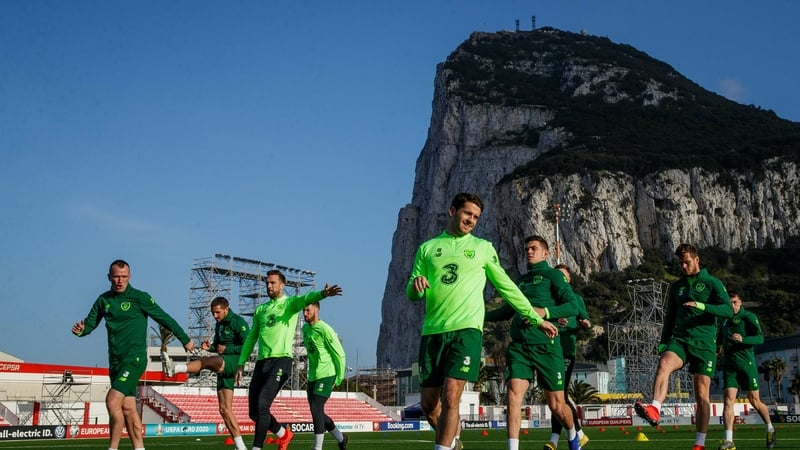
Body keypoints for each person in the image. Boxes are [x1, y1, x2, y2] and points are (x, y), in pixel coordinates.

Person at [407, 192, 558, 450]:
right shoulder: (428, 248)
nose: (471, 220)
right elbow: (412, 290)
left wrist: (535, 318)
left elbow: (508, 288)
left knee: (452, 395)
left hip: (467, 331)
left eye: (476, 217)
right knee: (430, 405)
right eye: (468, 214)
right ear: (452, 211)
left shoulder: (483, 248)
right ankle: (453, 443)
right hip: (433, 332)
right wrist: (417, 286)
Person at [72, 259, 194, 450]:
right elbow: (89, 324)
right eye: (116, 277)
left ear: (130, 277)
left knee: (112, 401)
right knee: (128, 408)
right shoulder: (104, 300)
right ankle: (139, 447)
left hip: (134, 359)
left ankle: (112, 448)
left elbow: (164, 317)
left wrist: (184, 338)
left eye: (124, 277)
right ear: (109, 277)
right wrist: (81, 330)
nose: (120, 281)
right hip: (115, 362)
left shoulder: (140, 298)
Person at [485, 236, 583, 450]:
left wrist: (546, 312)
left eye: (534, 248)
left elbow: (573, 307)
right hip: (520, 347)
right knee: (513, 394)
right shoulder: (521, 281)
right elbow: (507, 310)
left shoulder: (553, 276)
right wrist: (481, 315)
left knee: (557, 404)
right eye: (527, 248)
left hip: (547, 346)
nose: (529, 251)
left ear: (545, 253)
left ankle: (574, 435)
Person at [634, 243, 733, 450]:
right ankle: (654, 408)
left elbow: (727, 311)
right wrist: (663, 342)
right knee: (664, 364)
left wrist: (701, 305)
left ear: (697, 260)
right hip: (680, 340)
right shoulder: (676, 287)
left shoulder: (712, 283)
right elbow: (669, 317)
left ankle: (699, 443)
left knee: (701, 393)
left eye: (687, 262)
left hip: (704, 344)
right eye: (681, 263)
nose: (684, 266)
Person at [236, 269, 343, 450]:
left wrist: (323, 294)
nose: (269, 286)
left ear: (282, 285)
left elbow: (306, 299)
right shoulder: (260, 310)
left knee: (263, 404)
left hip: (281, 361)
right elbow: (250, 338)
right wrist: (241, 363)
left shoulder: (290, 304)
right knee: (254, 412)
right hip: (262, 363)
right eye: (267, 283)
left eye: (273, 283)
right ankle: (283, 434)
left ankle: (256, 447)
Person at [162, 296, 250, 450]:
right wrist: (209, 347)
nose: (215, 316)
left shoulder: (238, 322)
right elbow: (217, 345)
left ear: (226, 309)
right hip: (224, 364)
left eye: (217, 312)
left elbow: (248, 346)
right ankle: (240, 446)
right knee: (224, 409)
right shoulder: (219, 325)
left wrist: (228, 350)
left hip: (233, 362)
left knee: (208, 362)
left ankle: (175, 368)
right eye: (213, 313)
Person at [717, 291, 775, 450]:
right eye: (729, 303)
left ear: (740, 302)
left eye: (735, 302)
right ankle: (729, 441)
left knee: (754, 401)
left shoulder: (748, 317)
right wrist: (718, 348)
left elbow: (760, 338)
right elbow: (720, 339)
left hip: (746, 364)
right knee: (728, 401)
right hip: (729, 365)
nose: (732, 306)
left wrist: (744, 340)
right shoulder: (724, 319)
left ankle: (770, 428)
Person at [546, 263, 592, 450]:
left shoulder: (575, 299)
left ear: (569, 279)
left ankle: (558, 439)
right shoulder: (550, 299)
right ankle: (577, 435)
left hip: (566, 351)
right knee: (553, 396)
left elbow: (587, 321)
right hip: (549, 351)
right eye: (558, 276)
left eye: (564, 276)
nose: (561, 279)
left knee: (561, 395)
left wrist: (583, 323)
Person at [302, 301, 349, 450]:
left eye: (307, 310)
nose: (304, 313)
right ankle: (341, 439)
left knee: (316, 408)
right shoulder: (305, 328)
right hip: (313, 376)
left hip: (327, 374)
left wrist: (339, 377)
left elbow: (339, 354)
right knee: (318, 413)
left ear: (316, 310)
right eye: (303, 311)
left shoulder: (325, 329)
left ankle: (317, 447)